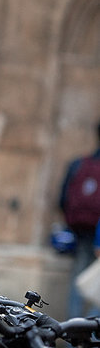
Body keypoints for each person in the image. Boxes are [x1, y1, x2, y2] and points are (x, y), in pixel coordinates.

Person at [59, 123, 100, 319]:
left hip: (81, 230)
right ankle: (92, 334)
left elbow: (63, 199)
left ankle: (72, 338)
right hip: (96, 232)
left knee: (79, 281)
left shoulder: (80, 164)